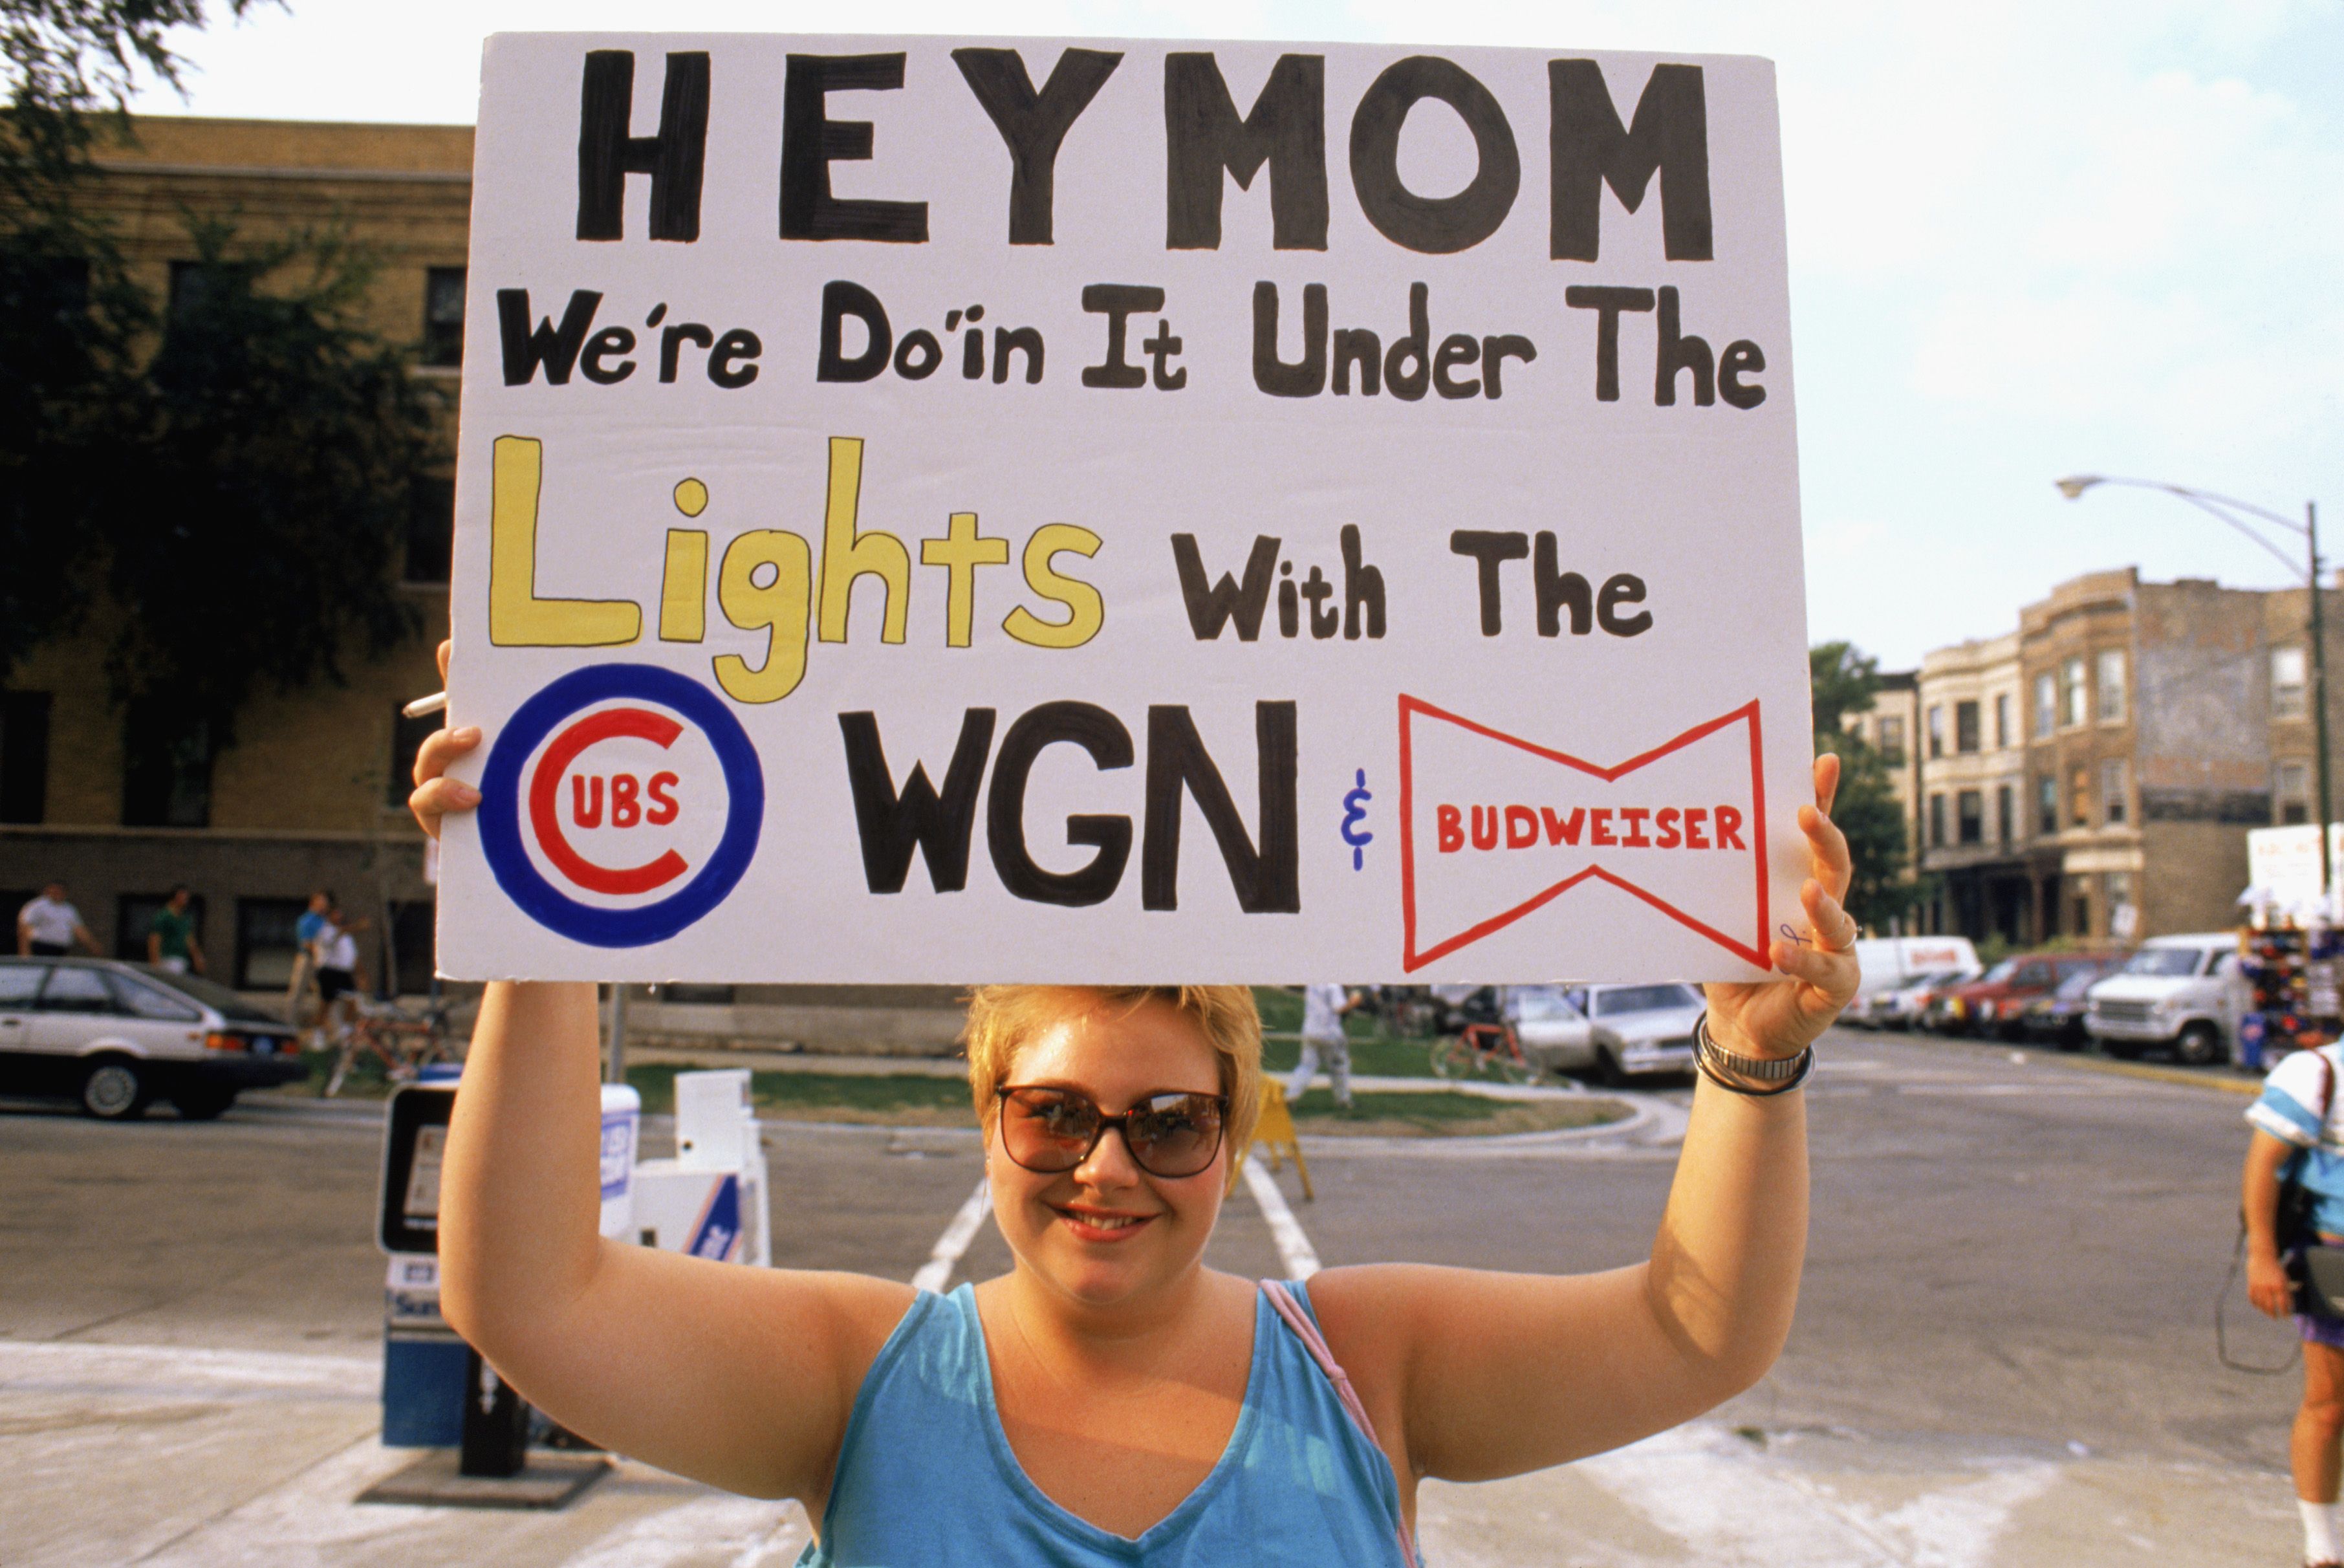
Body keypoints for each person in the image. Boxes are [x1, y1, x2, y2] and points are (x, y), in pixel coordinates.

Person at [406, 639, 1857, 1564]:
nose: (1107, 1168)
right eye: (1054, 1116)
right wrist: (538, 923)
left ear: (1232, 1131)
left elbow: (1695, 1332)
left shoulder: (1369, 1363)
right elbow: (528, 1299)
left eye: (1168, 1123)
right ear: (990, 1117)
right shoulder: (856, 1379)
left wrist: (1750, 1056)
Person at [2244, 1039, 2344, 1568]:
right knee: (2330, 1404)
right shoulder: (2317, 1072)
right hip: (2336, 1253)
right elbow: (2263, 1165)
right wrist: (2262, 1254)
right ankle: (2323, 1548)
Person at [1285, 983, 1361, 1109]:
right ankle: (1343, 1100)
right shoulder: (1333, 986)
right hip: (1330, 1033)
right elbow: (1339, 1008)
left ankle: (1291, 1097)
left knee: (1306, 1066)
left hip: (1311, 1030)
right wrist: (1353, 1002)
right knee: (1340, 1067)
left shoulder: (1313, 984)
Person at [17, 880, 99, 957]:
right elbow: (24, 927)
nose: (56, 893)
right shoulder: (37, 906)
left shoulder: (69, 909)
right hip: (41, 946)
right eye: (54, 890)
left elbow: (79, 929)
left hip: (60, 949)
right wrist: (25, 951)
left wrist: (93, 945)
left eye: (60, 891)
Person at [146, 886, 204, 975]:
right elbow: (154, 939)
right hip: (167, 960)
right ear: (177, 897)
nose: (186, 900)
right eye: (183, 897)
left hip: (182, 960)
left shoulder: (185, 919)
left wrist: (197, 957)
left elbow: (189, 939)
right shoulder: (163, 917)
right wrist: (155, 963)